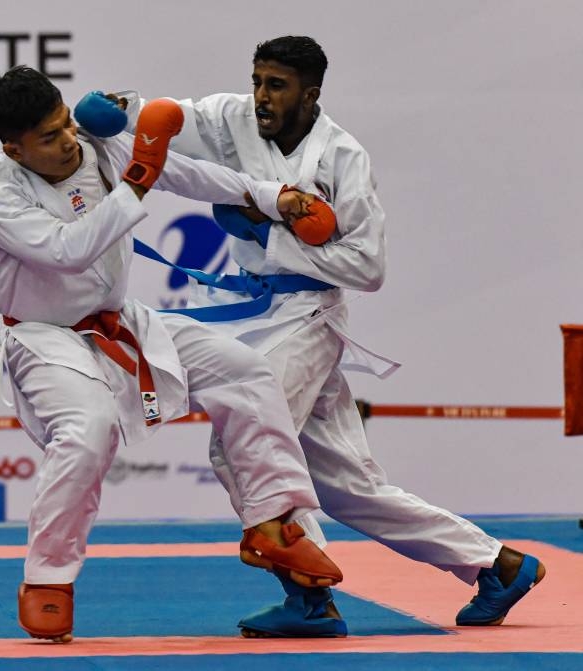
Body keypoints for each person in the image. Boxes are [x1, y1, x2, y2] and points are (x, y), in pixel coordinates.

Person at [98, 36, 545, 637]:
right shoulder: (234, 117)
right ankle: (499, 565)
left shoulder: (342, 157)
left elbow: (368, 267)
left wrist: (270, 234)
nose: (261, 96)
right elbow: (170, 118)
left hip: (308, 317)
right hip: (257, 315)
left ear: (310, 94)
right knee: (348, 488)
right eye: (257, 81)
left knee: (243, 446)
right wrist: (118, 108)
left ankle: (309, 600)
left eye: (277, 86)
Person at [0, 65, 345, 643]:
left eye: (65, 123)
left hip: (124, 323)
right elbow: (67, 250)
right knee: (88, 430)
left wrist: (276, 196)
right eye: (48, 137)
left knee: (246, 372)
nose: (67, 140)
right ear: (12, 149)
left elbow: (188, 175)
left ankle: (271, 523)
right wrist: (138, 179)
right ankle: (48, 578)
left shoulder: (97, 147)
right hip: (45, 339)